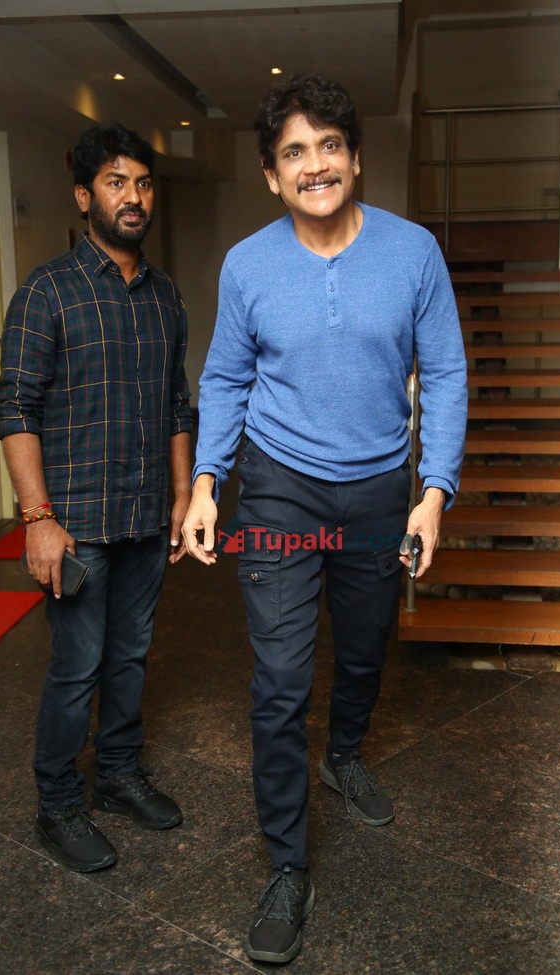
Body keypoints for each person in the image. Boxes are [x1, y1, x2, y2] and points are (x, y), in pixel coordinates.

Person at [183, 73, 467, 964]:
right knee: (278, 680)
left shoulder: (414, 252)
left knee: (366, 645)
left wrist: (433, 491)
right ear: (273, 175)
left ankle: (344, 754)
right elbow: (225, 377)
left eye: (329, 146)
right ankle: (286, 864)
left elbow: (445, 373)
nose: (316, 165)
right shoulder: (247, 265)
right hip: (280, 488)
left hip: (381, 486)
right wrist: (206, 481)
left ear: (356, 157)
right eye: (295, 153)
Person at [0, 123, 193, 874]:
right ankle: (57, 804)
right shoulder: (46, 291)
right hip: (74, 524)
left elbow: (177, 405)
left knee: (131, 656)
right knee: (77, 666)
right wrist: (37, 519)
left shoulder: (165, 295)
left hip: (144, 515)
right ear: (85, 197)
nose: (132, 197)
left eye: (141, 183)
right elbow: (16, 406)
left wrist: (182, 495)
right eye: (115, 182)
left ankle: (116, 775)